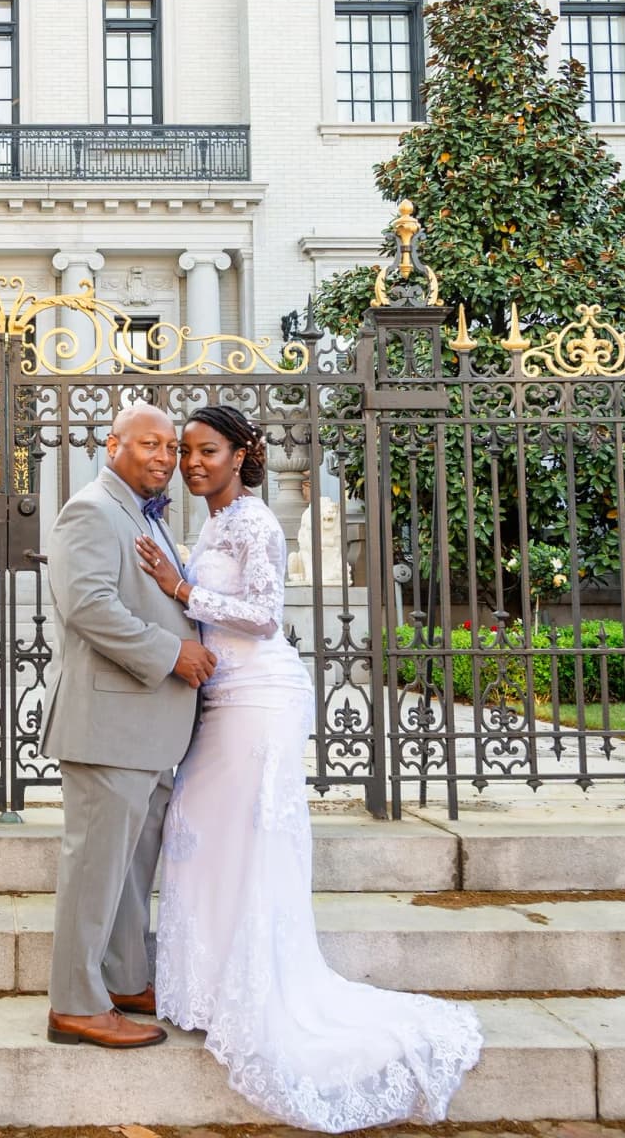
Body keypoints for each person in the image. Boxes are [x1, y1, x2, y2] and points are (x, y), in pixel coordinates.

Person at [134, 404, 484, 1130]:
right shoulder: (212, 522)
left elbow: (264, 613)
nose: (192, 463)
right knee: (198, 834)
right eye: (186, 453)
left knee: (248, 841)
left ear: (240, 455)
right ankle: (205, 990)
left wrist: (179, 588)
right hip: (222, 695)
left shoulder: (258, 521)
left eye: (206, 452)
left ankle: (253, 996)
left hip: (261, 696)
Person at [41, 400, 217, 1049]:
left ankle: (122, 977)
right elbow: (88, 605)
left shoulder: (139, 512)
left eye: (170, 449)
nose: (164, 458)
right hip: (108, 724)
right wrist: (173, 653)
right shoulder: (90, 509)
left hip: (147, 729)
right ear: (112, 444)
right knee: (94, 868)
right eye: (150, 445)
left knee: (129, 868)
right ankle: (76, 1004)